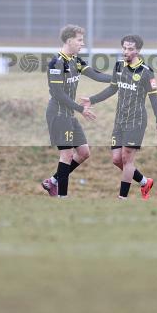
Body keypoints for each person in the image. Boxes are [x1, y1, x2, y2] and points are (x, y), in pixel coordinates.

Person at [83, 35, 157, 200]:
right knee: (116, 159)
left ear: (138, 50)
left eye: (130, 49)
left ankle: (122, 199)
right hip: (119, 120)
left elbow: (153, 97)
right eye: (124, 48)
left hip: (136, 121)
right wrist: (92, 99)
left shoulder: (147, 72)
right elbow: (112, 89)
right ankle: (144, 182)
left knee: (127, 159)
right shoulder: (119, 66)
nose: (126, 51)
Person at [40, 25, 112, 198]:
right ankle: (62, 198)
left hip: (69, 114)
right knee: (67, 154)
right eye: (79, 40)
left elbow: (96, 75)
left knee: (84, 153)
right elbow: (58, 94)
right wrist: (81, 109)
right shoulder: (57, 63)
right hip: (58, 113)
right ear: (69, 40)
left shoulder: (76, 61)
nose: (82, 43)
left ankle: (53, 181)